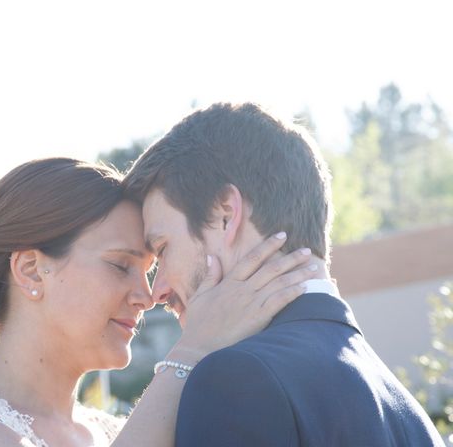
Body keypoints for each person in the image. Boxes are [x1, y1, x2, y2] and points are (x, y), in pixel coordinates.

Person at [0, 157, 315, 447]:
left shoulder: (114, 432)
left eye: (148, 270)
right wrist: (194, 349)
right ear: (32, 270)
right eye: (120, 265)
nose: (147, 297)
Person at [124, 102, 444, 446]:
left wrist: (186, 357)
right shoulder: (411, 414)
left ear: (225, 215)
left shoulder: (235, 380)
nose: (158, 292)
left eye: (163, 248)